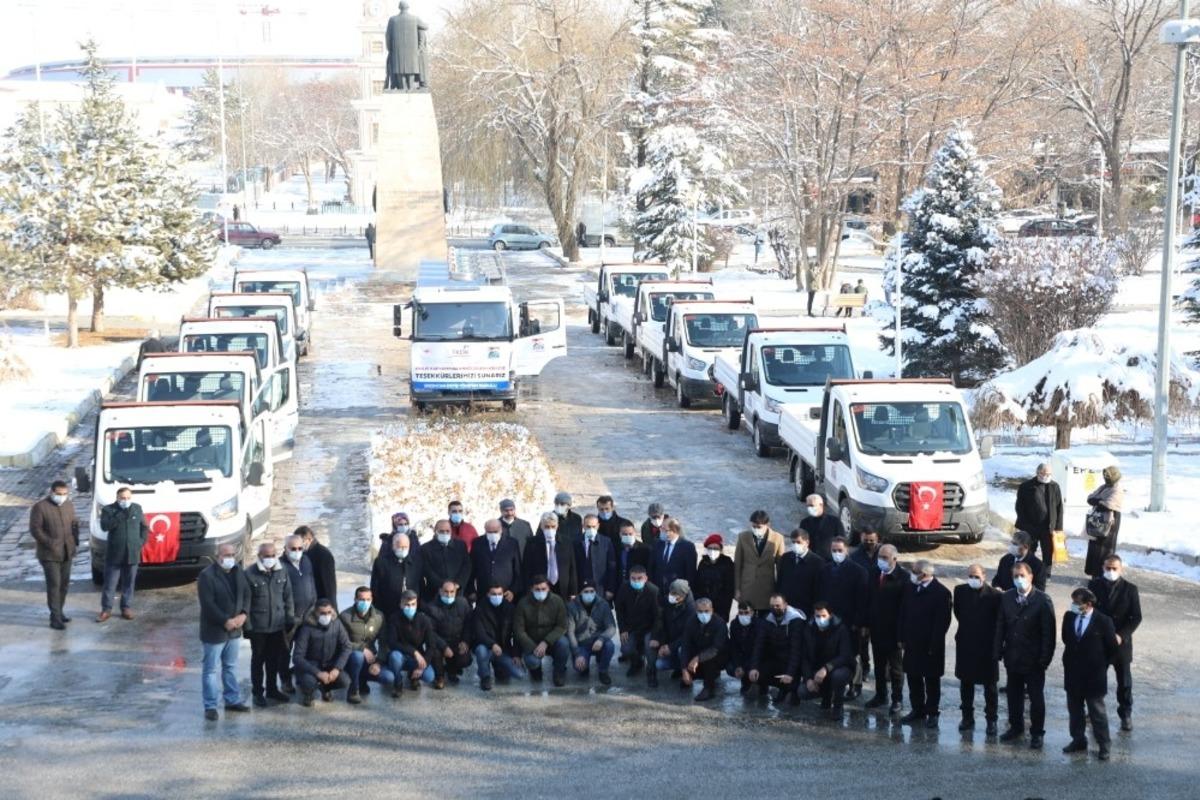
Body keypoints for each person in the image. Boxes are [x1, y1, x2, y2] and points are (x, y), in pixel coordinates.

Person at [994, 561, 1056, 749]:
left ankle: (1037, 732)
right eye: (1015, 576)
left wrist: (1044, 659)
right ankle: (1016, 727)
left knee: (1036, 698)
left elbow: (1049, 634)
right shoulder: (1007, 597)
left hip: (1034, 659)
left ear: (1031, 577)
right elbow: (1000, 626)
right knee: (1014, 695)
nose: (1019, 579)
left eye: (1022, 575)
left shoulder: (1042, 600)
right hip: (1013, 655)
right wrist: (998, 650)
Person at [1062, 587, 1119, 760]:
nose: (1073, 605)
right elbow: (1066, 638)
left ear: (1088, 604)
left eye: (1077, 603)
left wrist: (1100, 665)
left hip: (1094, 676)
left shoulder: (1103, 621)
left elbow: (1112, 649)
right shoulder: (1069, 616)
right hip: (1073, 672)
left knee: (1097, 712)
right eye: (1073, 602)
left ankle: (1104, 744)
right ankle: (1078, 740)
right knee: (1075, 710)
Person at [197, 543, 250, 720]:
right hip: (215, 631)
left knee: (230, 667)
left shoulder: (238, 572)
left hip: (234, 630)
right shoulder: (207, 576)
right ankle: (210, 705)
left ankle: (232, 700)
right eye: (226, 554)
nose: (230, 558)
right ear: (217, 556)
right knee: (211, 669)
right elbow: (208, 604)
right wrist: (225, 620)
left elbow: (246, 594)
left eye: (232, 555)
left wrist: (243, 614)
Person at [1088, 555, 1141, 731]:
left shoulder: (1130, 589)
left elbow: (1136, 617)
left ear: (1121, 569)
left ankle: (1125, 714)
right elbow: (1089, 611)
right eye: (1108, 568)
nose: (1111, 572)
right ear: (1103, 568)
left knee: (1124, 682)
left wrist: (1121, 635)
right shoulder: (1094, 586)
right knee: (1095, 680)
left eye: (1114, 569)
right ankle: (1094, 710)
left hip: (1121, 644)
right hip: (1100, 642)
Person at [897, 560, 952, 727]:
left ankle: (932, 712)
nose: (912, 574)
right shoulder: (910, 588)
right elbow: (903, 612)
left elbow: (942, 623)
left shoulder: (941, 593)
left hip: (930, 645)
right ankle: (917, 709)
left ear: (925, 574)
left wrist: (933, 645)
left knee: (931, 681)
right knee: (913, 678)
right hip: (912, 642)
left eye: (915, 571)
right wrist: (901, 637)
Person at [244, 541, 294, 707]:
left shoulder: (282, 570)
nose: (271, 559)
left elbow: (288, 596)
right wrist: (248, 627)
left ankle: (272, 689)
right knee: (258, 660)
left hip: (277, 626)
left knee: (273, 659)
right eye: (267, 556)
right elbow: (246, 603)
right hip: (258, 628)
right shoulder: (250, 574)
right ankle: (258, 692)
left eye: (273, 555)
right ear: (259, 556)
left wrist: (289, 617)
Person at [816, 536, 868, 698]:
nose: (837, 553)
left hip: (850, 621)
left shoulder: (858, 571)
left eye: (840, 550)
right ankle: (833, 685)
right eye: (834, 550)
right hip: (830, 620)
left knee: (854, 653)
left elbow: (862, 600)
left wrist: (858, 622)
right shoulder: (825, 570)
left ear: (847, 550)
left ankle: (855, 684)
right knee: (833, 652)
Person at [953, 564, 1002, 734]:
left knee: (990, 686)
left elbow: (999, 622)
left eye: (976, 576)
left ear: (984, 575)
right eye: (970, 576)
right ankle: (967, 717)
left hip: (987, 646)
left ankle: (991, 720)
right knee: (966, 683)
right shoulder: (960, 591)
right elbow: (958, 613)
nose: (973, 579)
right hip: (966, 643)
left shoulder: (995, 596)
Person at [865, 544, 909, 713]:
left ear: (894, 559)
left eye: (885, 558)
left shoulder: (903, 578)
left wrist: (901, 635)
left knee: (896, 669)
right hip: (877, 628)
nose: (881, 561)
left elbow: (904, 609)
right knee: (879, 666)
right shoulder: (874, 573)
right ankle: (880, 695)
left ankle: (897, 699)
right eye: (879, 557)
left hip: (894, 632)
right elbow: (868, 599)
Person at [30, 480, 79, 630]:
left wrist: (75, 541)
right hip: (49, 554)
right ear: (52, 492)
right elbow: (35, 529)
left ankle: (60, 612)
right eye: (59, 494)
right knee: (54, 585)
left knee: (64, 585)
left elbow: (74, 523)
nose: (62, 497)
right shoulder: (40, 507)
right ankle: (55, 618)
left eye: (65, 494)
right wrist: (50, 543)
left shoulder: (68, 505)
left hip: (67, 551)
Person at [97, 486, 149, 622]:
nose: (125, 500)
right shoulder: (108, 510)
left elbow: (144, 527)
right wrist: (120, 514)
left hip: (132, 553)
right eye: (123, 498)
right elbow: (105, 526)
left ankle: (126, 607)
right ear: (117, 498)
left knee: (129, 582)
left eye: (128, 498)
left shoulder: (137, 508)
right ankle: (106, 610)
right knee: (110, 583)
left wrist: (140, 542)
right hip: (114, 554)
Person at [798, 602, 855, 718]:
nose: (820, 619)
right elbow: (805, 657)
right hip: (817, 671)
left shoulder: (840, 629)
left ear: (830, 615)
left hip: (840, 668)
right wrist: (808, 678)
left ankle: (838, 705)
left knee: (837, 677)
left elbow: (845, 656)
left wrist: (826, 668)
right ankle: (826, 696)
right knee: (802, 691)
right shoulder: (809, 629)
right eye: (817, 616)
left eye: (824, 616)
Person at [292, 598, 353, 706]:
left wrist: (337, 668)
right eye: (322, 613)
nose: (326, 616)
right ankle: (308, 694)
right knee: (308, 682)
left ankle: (326, 688)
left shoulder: (337, 624)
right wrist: (317, 673)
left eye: (329, 612)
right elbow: (297, 657)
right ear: (316, 612)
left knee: (345, 681)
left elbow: (347, 646)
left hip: (330, 664)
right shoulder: (306, 628)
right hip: (311, 666)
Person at [339, 586, 393, 703]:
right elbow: (341, 642)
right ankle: (353, 689)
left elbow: (384, 642)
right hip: (351, 660)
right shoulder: (344, 616)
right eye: (362, 599)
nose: (365, 603)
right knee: (357, 656)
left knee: (388, 678)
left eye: (368, 599)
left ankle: (362, 681)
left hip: (370, 661)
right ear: (355, 599)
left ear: (372, 599)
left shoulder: (379, 616)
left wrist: (378, 663)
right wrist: (361, 648)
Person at [515, 575, 571, 686]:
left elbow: (562, 626)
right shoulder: (522, 603)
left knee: (564, 643)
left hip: (552, 641)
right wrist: (533, 647)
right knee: (532, 662)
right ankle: (535, 671)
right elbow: (519, 630)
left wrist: (546, 642)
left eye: (543, 589)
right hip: (531, 642)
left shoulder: (557, 601)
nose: (540, 592)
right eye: (537, 589)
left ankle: (559, 672)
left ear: (548, 588)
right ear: (532, 589)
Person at [749, 593, 805, 700]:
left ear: (785, 605)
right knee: (757, 674)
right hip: (775, 659)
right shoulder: (767, 619)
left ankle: (789, 691)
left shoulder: (796, 621)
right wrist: (754, 667)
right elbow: (759, 644)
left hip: (790, 662)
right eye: (772, 606)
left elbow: (796, 650)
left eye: (778, 606)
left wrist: (790, 673)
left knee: (790, 691)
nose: (774, 608)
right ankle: (773, 688)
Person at [384, 590, 443, 692]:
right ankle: (398, 682)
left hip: (417, 658)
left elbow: (431, 645)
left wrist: (424, 663)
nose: (410, 607)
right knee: (394, 656)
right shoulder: (394, 618)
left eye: (413, 604)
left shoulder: (424, 620)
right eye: (406, 604)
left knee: (429, 676)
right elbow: (392, 642)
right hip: (400, 655)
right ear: (401, 604)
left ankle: (414, 677)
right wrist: (414, 652)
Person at [279, 533, 316, 694]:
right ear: (285, 549)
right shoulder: (279, 566)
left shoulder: (306, 561)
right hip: (289, 620)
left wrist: (312, 609)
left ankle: (302, 678)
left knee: (304, 651)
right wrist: (291, 616)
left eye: (300, 548)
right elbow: (279, 595)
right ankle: (285, 681)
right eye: (293, 548)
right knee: (284, 652)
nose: (297, 551)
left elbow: (312, 585)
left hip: (307, 617)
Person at [471, 583, 526, 690]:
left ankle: (496, 667)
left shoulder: (510, 608)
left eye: (499, 594)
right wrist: (492, 645)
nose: (497, 596)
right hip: (486, 647)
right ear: (488, 594)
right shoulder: (479, 609)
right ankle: (485, 676)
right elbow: (479, 633)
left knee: (520, 674)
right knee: (481, 651)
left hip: (504, 649)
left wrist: (516, 654)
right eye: (493, 594)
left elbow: (517, 632)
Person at [734, 510, 786, 615]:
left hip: (767, 589)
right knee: (747, 619)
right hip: (747, 588)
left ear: (767, 525)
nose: (756, 529)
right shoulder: (743, 537)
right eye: (753, 526)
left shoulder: (777, 538)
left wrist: (780, 592)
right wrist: (737, 589)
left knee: (764, 620)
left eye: (759, 527)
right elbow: (738, 564)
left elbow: (781, 567)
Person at [1015, 463, 1063, 575]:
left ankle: (1046, 573)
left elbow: (1059, 508)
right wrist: (1024, 525)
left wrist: (1059, 528)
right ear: (1038, 472)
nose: (1046, 476)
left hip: (1048, 527)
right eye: (1043, 473)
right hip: (1031, 527)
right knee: (1029, 551)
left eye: (1048, 474)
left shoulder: (1054, 486)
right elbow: (1019, 507)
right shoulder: (1026, 486)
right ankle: (1028, 571)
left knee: (1048, 551)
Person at [615, 566, 662, 682]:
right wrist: (623, 629)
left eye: (639, 578)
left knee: (649, 645)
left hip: (649, 628)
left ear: (645, 578)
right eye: (633, 578)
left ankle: (651, 671)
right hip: (632, 628)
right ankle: (636, 663)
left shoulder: (653, 591)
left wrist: (655, 636)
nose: (636, 581)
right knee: (626, 648)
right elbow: (619, 610)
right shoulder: (624, 588)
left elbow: (658, 616)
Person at [566, 580, 617, 684]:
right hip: (581, 644)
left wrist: (601, 639)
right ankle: (584, 663)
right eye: (586, 591)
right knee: (580, 669)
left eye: (592, 591)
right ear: (580, 592)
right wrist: (577, 654)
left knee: (610, 646)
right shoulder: (571, 606)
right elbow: (570, 632)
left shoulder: (603, 604)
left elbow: (611, 627)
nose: (589, 594)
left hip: (598, 641)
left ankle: (603, 671)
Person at [848, 529, 880, 689]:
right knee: (862, 643)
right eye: (865, 540)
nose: (868, 543)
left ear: (877, 539)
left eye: (871, 540)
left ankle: (884, 671)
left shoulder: (883, 555)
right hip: (862, 604)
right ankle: (865, 669)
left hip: (879, 607)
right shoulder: (854, 557)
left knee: (880, 643)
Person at [426, 580, 473, 684]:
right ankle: (439, 676)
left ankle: (452, 670)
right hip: (439, 642)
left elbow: (468, 625)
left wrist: (465, 641)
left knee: (465, 659)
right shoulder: (431, 607)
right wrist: (444, 647)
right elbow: (430, 632)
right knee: (435, 652)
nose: (449, 595)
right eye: (446, 591)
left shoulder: (463, 603)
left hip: (456, 641)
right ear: (440, 591)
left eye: (452, 592)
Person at [682, 598, 728, 701]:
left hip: (718, 656)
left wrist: (697, 658)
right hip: (699, 652)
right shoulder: (691, 621)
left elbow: (716, 648)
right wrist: (684, 669)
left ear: (712, 610)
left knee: (709, 658)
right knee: (682, 651)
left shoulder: (720, 624)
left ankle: (708, 688)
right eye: (700, 611)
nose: (703, 614)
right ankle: (688, 676)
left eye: (706, 611)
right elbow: (685, 644)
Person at [524, 512, 578, 599]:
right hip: (540, 586)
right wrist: (528, 588)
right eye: (547, 527)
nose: (550, 529)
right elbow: (527, 568)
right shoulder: (532, 543)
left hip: (562, 586)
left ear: (557, 526)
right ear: (541, 526)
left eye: (553, 526)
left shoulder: (566, 542)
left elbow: (572, 568)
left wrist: (573, 591)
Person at [652, 579, 695, 686]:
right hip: (670, 642)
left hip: (684, 645)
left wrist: (670, 647)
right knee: (660, 664)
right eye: (671, 592)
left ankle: (686, 674)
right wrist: (662, 643)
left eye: (675, 594)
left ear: (683, 595)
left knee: (682, 650)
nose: (671, 596)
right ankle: (678, 668)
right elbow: (660, 622)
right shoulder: (667, 602)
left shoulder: (691, 610)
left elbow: (687, 635)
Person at [1085, 466, 1124, 578]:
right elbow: (1090, 498)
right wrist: (1098, 501)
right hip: (1097, 519)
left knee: (1105, 548)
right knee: (1094, 546)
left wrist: (1098, 501)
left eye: (1108, 476)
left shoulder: (1117, 489)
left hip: (1110, 522)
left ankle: (1103, 573)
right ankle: (1094, 572)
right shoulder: (1104, 487)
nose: (1106, 478)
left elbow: (1108, 505)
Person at [371, 532, 421, 618]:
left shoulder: (415, 562)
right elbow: (375, 586)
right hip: (387, 609)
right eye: (400, 547)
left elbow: (420, 584)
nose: (403, 550)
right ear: (393, 546)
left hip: (410, 608)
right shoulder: (381, 562)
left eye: (405, 547)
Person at [471, 519, 523, 601]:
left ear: (501, 530)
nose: (492, 534)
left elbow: (517, 569)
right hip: (484, 594)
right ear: (485, 531)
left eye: (495, 531)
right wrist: (471, 590)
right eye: (489, 532)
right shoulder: (477, 543)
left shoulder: (511, 543)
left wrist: (513, 590)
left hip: (506, 594)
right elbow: (472, 568)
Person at [777, 528, 824, 618]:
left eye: (799, 542)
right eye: (793, 542)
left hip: (805, 609)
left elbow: (818, 589)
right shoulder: (786, 558)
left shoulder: (817, 562)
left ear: (807, 542)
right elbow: (780, 581)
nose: (795, 545)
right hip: (786, 607)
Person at [421, 518, 471, 602]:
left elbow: (466, 565)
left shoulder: (460, 545)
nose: (445, 533)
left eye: (447, 531)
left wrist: (458, 583)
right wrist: (442, 585)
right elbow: (427, 570)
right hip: (435, 592)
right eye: (441, 531)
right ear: (435, 531)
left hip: (457, 591)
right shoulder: (426, 548)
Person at [693, 534, 735, 622]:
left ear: (721, 549)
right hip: (704, 605)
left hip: (721, 606)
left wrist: (724, 607)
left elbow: (730, 587)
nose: (713, 551)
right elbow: (697, 584)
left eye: (716, 548)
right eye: (710, 548)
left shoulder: (727, 563)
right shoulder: (703, 563)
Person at [576, 513, 618, 600]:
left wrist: (610, 589)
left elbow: (611, 567)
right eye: (588, 526)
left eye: (593, 526)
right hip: (581, 586)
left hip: (601, 588)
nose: (591, 529)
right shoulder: (576, 542)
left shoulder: (606, 542)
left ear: (598, 526)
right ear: (583, 526)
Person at [652, 518, 697, 595]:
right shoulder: (657, 544)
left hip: (677, 593)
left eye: (665, 530)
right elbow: (652, 566)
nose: (661, 532)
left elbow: (690, 573)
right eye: (661, 528)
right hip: (658, 591)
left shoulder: (687, 547)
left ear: (675, 531)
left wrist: (686, 592)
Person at [297, 526, 337, 610]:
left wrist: (332, 607)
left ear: (309, 539)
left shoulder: (323, 554)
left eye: (301, 541)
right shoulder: (303, 553)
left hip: (320, 602)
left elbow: (329, 585)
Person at [726, 600, 762, 694]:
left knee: (756, 668)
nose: (743, 615)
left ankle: (760, 684)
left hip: (757, 658)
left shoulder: (760, 625)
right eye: (741, 613)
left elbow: (758, 649)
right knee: (731, 668)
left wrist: (753, 667)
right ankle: (746, 682)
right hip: (743, 657)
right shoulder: (734, 624)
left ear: (753, 613)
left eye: (746, 613)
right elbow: (734, 647)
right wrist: (738, 665)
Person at [616, 521, 653, 586]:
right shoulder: (616, 548)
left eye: (630, 534)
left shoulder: (645, 549)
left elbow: (650, 570)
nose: (628, 536)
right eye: (625, 534)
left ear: (635, 533)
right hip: (620, 585)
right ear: (620, 534)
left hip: (638, 584)